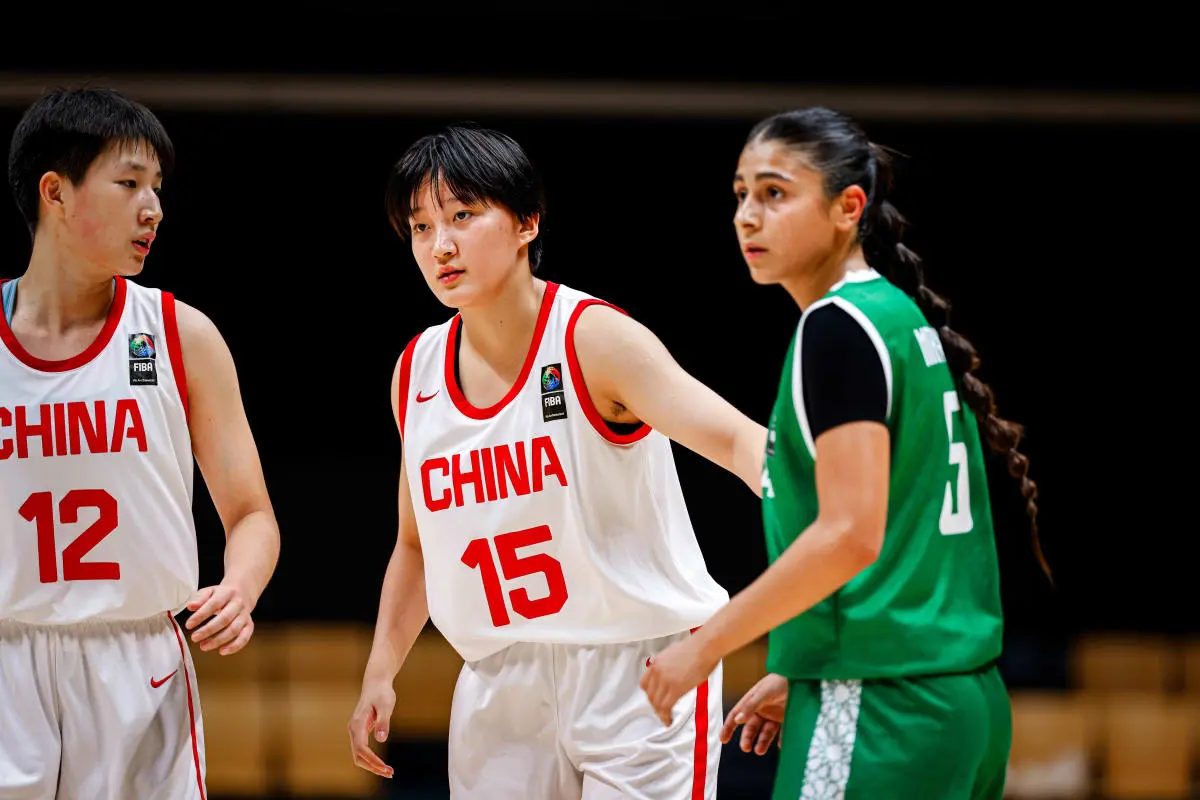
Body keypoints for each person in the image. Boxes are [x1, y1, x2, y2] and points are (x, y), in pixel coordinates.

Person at [347, 124, 766, 799]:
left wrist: (829, 557)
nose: (440, 245)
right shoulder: (416, 370)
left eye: (462, 215)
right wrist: (379, 670)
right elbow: (417, 545)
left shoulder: (594, 339)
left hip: (639, 665)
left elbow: (744, 445)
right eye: (421, 227)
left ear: (527, 222)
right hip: (499, 676)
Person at [639, 106, 1048, 799]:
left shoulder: (837, 329)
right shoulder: (897, 315)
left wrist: (704, 646)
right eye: (740, 193)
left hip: (883, 706)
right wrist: (807, 659)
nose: (747, 216)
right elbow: (898, 533)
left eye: (774, 193)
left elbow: (849, 534)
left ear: (847, 207)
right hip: (959, 702)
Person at [0, 88, 281, 799]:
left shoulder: (181, 335)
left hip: (138, 663)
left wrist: (241, 587)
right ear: (55, 192)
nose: (153, 208)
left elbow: (251, 513)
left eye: (157, 188)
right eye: (129, 184)